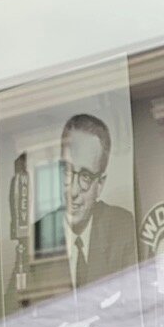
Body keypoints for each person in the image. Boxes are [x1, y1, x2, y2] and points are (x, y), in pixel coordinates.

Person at [35, 113, 137, 291]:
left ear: (100, 185)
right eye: (66, 171)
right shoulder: (37, 236)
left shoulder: (122, 227)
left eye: (85, 177)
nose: (73, 191)